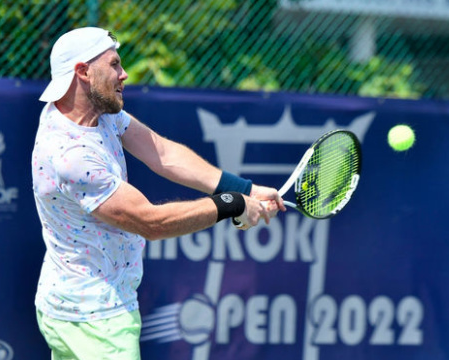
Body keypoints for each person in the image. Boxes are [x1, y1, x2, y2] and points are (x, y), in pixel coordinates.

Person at [31, 27, 286, 360]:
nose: (124, 74)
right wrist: (232, 204)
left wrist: (244, 188)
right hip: (95, 319)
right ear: (83, 72)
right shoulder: (72, 156)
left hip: (77, 307)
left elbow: (163, 154)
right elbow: (151, 222)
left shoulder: (93, 113)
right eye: (114, 64)